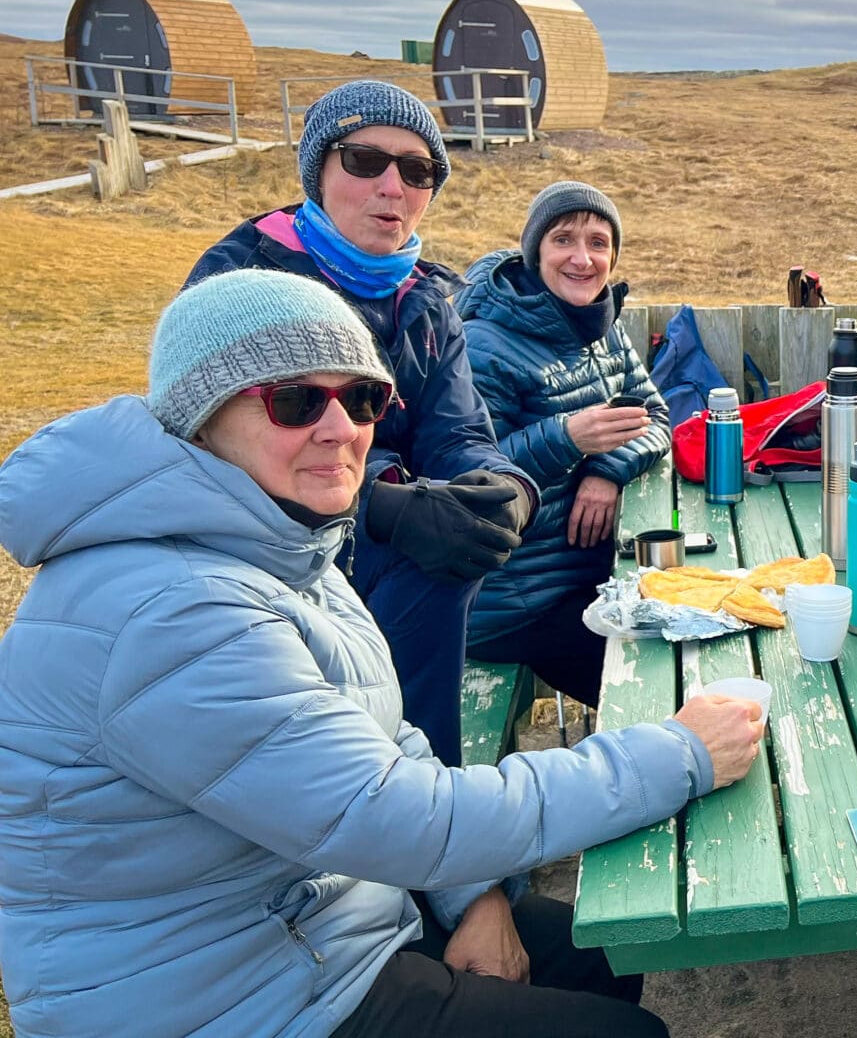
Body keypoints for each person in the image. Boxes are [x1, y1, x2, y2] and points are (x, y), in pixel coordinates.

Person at [0, 269, 766, 1038]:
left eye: (362, 399)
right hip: (224, 999)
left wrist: (473, 898)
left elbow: (383, 748)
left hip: (318, 918)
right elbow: (397, 815)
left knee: (602, 948)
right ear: (199, 421)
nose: (341, 430)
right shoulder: (173, 612)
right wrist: (679, 754)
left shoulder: (279, 541)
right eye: (296, 401)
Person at [189, 80, 537, 761]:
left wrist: (505, 489)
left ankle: (416, 788)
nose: (392, 187)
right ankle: (410, 795)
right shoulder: (245, 283)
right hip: (256, 541)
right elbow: (238, 447)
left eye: (418, 170)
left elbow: (457, 431)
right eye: (364, 160)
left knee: (462, 540)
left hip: (369, 524)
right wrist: (385, 503)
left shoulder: (428, 300)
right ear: (317, 170)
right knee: (432, 558)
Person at [459, 182, 669, 706]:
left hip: (585, 577)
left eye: (598, 243)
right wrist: (567, 438)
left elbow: (658, 415)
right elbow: (465, 481)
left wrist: (605, 470)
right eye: (563, 240)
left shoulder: (601, 324)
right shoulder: (486, 343)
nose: (583, 258)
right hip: (514, 605)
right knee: (661, 694)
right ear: (535, 252)